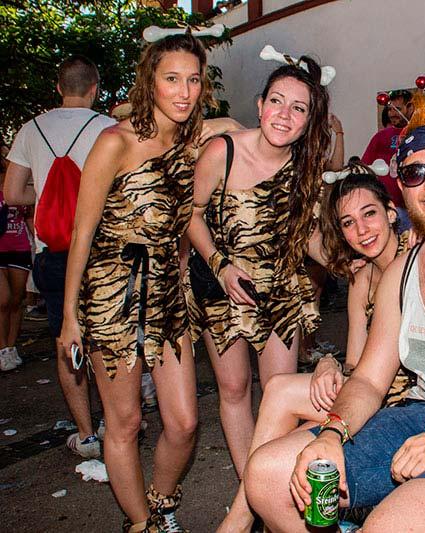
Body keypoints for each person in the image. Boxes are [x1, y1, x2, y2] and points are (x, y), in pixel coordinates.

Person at [242, 101, 425, 533]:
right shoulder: (402, 271)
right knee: (267, 476)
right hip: (419, 415)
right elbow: (368, 381)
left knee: (385, 527)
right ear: (402, 189)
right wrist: (332, 434)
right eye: (415, 174)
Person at [59, 34, 239, 532]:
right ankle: (141, 524)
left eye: (193, 80)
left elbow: (236, 130)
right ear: (150, 81)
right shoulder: (113, 142)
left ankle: (160, 502)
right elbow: (82, 232)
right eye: (171, 79)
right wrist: (70, 317)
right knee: (126, 423)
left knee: (184, 422)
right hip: (112, 293)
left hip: (166, 295)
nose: (184, 91)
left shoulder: (190, 141)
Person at [219, 167, 413, 531]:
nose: (362, 230)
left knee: (285, 426)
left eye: (369, 214)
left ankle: (238, 522)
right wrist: (328, 363)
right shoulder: (362, 278)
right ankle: (246, 518)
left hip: (405, 399)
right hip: (371, 389)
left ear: (391, 213)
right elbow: (355, 363)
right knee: (278, 392)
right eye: (348, 223)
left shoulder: (416, 255)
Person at [186, 53, 330, 528]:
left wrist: (355, 259)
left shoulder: (306, 168)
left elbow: (308, 238)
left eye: (298, 108)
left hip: (281, 290)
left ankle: (258, 497)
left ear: (309, 121)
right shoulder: (222, 151)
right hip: (222, 286)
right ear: (260, 104)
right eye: (277, 102)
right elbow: (192, 214)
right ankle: (252, 491)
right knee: (233, 389)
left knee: (277, 393)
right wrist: (220, 264)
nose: (284, 115)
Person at [5, 55, 117, 457]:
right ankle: (114, 425)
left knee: (65, 341)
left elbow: (12, 193)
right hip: (102, 252)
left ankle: (85, 435)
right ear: (95, 89)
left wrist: (46, 195)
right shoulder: (108, 128)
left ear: (58, 87)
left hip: (52, 253)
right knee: (106, 340)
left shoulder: (30, 129)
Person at [362, 90, 414, 229]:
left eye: (398, 109)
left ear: (410, 108)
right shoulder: (380, 137)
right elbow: (364, 167)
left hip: (411, 208)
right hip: (386, 207)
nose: (392, 113)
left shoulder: (417, 134)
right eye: (390, 109)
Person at [0, 169, 31, 371]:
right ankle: (2, 349)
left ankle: (11, 347)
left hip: (20, 248)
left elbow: (30, 217)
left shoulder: (19, 188)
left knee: (16, 300)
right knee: (3, 300)